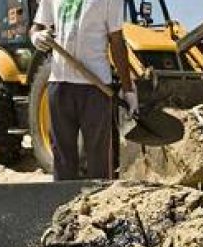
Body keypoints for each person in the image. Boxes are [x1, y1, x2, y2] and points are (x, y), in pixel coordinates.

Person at [29, 0, 138, 181]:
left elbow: (117, 41)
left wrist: (128, 90)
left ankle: (100, 205)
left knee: (99, 160)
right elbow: (36, 27)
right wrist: (36, 36)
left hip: (95, 88)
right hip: (59, 84)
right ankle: (64, 204)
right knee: (62, 158)